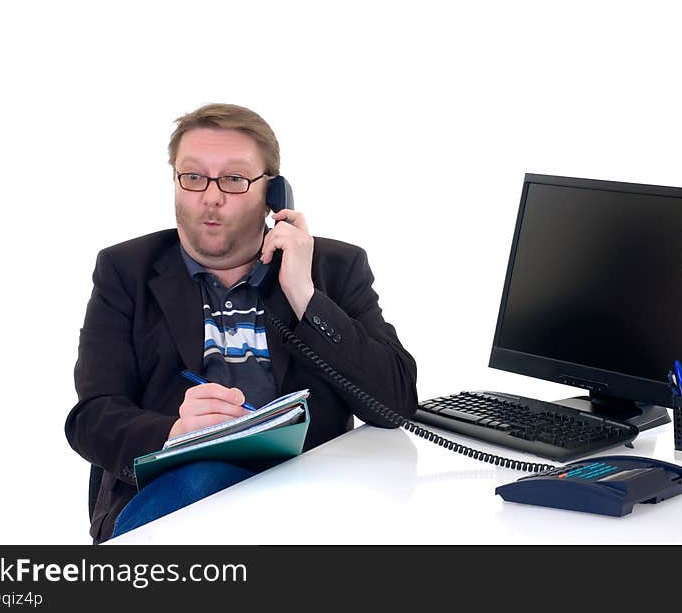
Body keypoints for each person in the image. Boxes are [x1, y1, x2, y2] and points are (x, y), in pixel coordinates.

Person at [65, 104, 419, 544]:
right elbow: (91, 417)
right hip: (175, 496)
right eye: (193, 177)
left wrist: (305, 297)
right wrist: (175, 433)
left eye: (233, 180)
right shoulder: (126, 270)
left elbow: (395, 402)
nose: (210, 196)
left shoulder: (333, 267)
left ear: (273, 193)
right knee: (204, 480)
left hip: (305, 502)